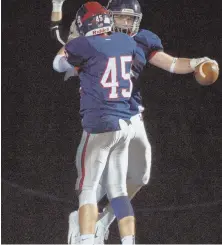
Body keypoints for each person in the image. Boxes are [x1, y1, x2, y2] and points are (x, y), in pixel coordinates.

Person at [50, 0, 218, 244]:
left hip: (130, 116)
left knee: (139, 177)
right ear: (109, 17)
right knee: (98, 183)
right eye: (122, 18)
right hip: (106, 116)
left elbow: (170, 63)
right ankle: (85, 227)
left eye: (131, 19)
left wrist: (194, 63)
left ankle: (102, 222)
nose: (127, 23)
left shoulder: (129, 40)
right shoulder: (101, 43)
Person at [52, 2, 140, 244]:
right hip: (124, 126)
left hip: (100, 126)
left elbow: (58, 64)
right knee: (119, 190)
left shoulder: (84, 44)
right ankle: (128, 241)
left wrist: (72, 43)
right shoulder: (128, 43)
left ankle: (87, 240)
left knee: (88, 188)